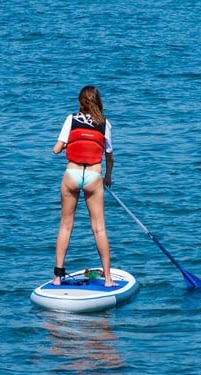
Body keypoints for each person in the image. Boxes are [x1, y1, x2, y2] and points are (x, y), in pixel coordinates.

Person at [52, 86, 116, 287]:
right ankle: (108, 279)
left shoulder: (71, 119)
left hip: (72, 175)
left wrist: (65, 144)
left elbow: (55, 150)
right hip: (93, 176)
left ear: (80, 102)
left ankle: (57, 277)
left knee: (65, 226)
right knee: (99, 229)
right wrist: (108, 177)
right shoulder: (105, 124)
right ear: (98, 102)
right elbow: (109, 157)